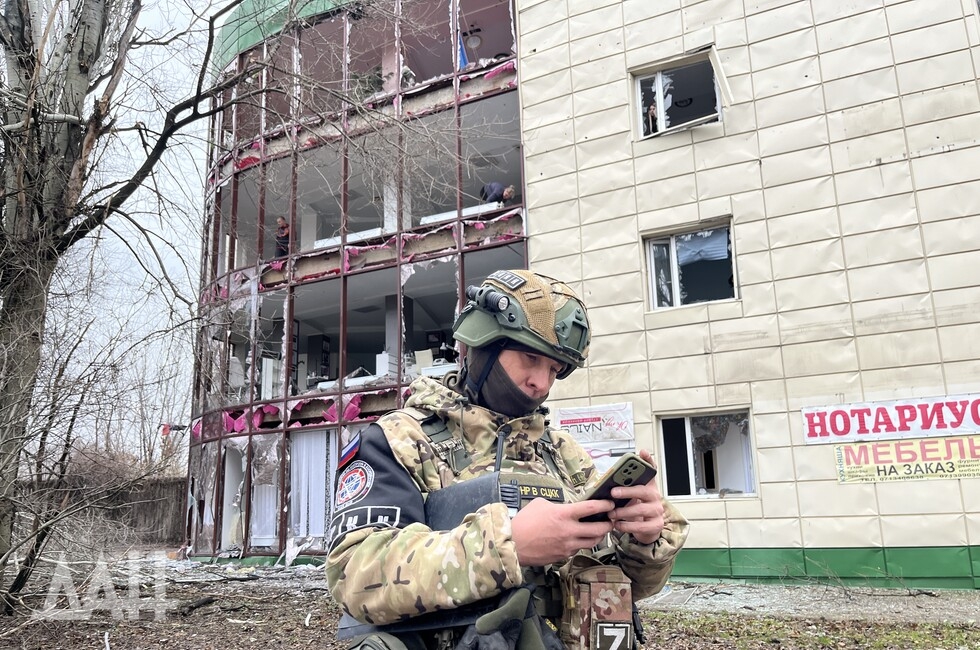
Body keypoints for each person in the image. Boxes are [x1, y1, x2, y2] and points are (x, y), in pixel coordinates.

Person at [326, 269, 689, 650]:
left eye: (554, 368)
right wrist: (508, 544)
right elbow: (355, 574)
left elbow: (630, 585)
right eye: (530, 357)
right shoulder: (398, 440)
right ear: (479, 346)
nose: (542, 383)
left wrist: (643, 539)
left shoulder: (561, 453)